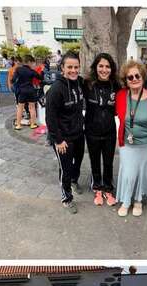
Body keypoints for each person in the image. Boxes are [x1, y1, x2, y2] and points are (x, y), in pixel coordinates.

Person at [114, 60, 147, 217]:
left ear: (143, 76)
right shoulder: (121, 96)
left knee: (141, 172)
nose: (134, 79)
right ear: (125, 80)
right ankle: (126, 201)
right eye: (130, 77)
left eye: (137, 76)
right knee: (129, 173)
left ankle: (138, 200)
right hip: (127, 143)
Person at [45, 52, 85, 214]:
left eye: (76, 67)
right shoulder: (56, 89)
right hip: (63, 138)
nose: (73, 70)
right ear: (62, 68)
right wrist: (58, 140)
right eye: (70, 67)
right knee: (66, 169)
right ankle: (66, 197)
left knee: (78, 162)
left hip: (78, 133)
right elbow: (50, 118)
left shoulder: (80, 82)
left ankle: (74, 181)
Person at [83, 53, 119, 206]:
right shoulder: (87, 84)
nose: (104, 69)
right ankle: (97, 187)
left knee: (109, 163)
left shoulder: (116, 85)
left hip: (109, 131)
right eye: (101, 66)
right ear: (95, 67)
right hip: (91, 131)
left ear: (112, 69)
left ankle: (108, 189)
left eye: (107, 66)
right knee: (95, 161)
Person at [12, 55, 42, 130]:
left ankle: (18, 125)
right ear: (29, 62)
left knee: (20, 108)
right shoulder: (31, 71)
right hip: (31, 90)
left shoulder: (18, 69)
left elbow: (13, 80)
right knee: (32, 107)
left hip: (22, 91)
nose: (33, 64)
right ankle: (33, 124)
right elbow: (40, 77)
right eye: (32, 63)